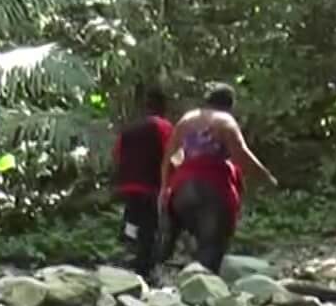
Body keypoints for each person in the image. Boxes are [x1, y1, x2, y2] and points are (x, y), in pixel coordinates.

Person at [162, 84, 279, 273]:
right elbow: (241, 156)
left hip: (181, 190)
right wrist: (266, 177)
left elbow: (169, 157)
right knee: (212, 246)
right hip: (213, 189)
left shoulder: (186, 120)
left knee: (193, 234)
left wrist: (164, 188)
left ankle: (167, 279)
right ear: (229, 105)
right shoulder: (225, 121)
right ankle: (204, 292)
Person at [112, 84, 174, 278]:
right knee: (150, 226)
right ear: (163, 107)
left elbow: (117, 154)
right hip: (151, 184)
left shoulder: (129, 129)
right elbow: (171, 154)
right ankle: (143, 269)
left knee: (132, 221)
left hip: (129, 183)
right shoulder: (163, 126)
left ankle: (128, 256)